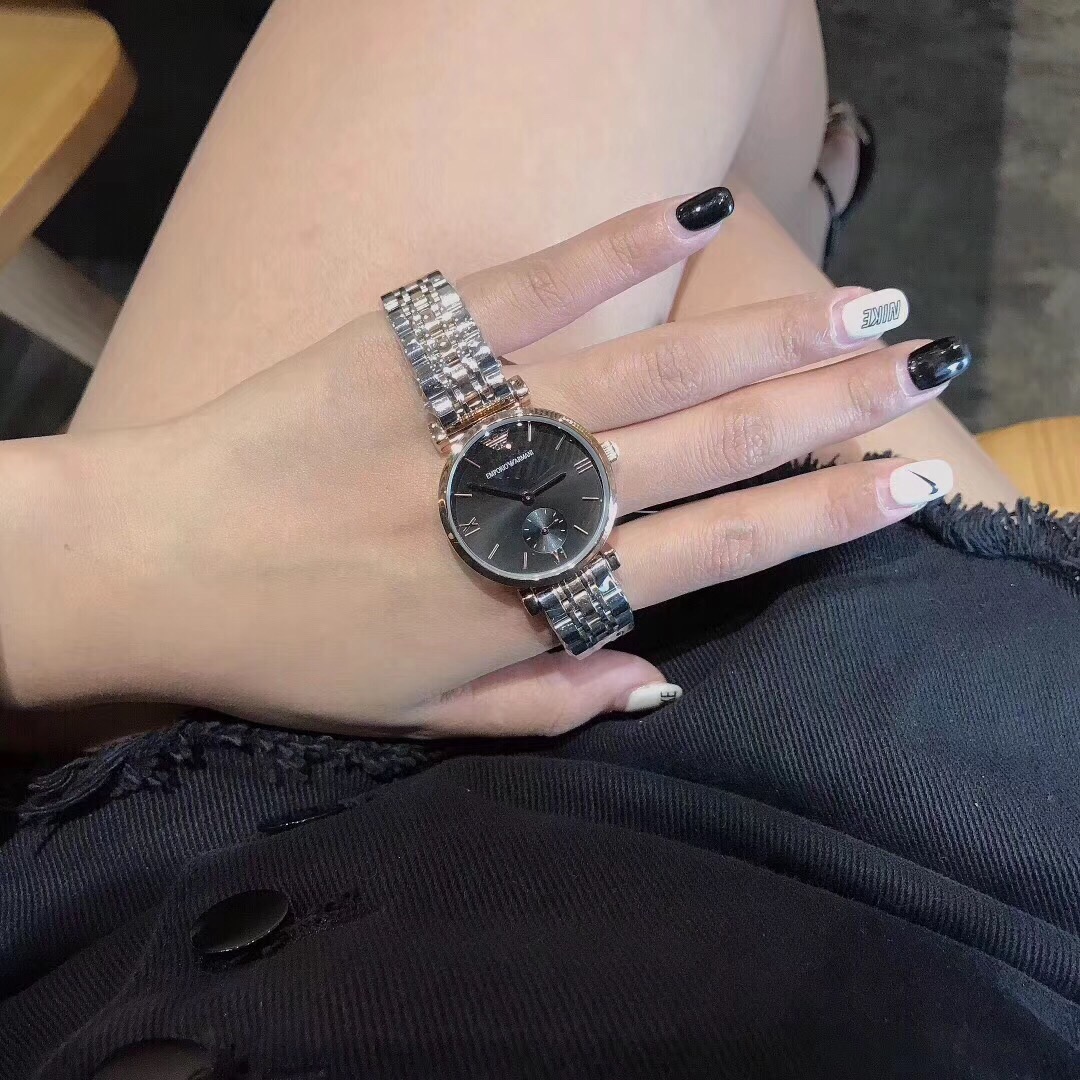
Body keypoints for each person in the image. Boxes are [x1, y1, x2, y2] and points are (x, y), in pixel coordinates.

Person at [1, 1, 1077, 1076]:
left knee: (686, 213)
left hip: (141, 862)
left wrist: (114, 553)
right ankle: (793, 219)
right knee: (701, 224)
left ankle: (786, 217)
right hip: (965, 841)